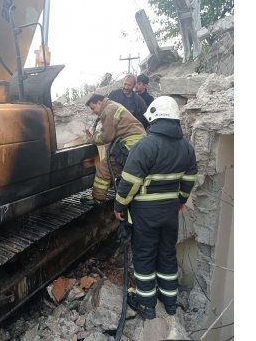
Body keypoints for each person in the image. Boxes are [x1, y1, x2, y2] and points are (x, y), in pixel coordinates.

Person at [113, 96, 198, 319]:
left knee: (144, 256)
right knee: (167, 254)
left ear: (155, 119)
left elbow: (129, 181)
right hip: (170, 212)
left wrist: (119, 205)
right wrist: (180, 199)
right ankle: (170, 302)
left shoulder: (145, 145)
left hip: (145, 215)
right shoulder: (186, 148)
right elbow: (189, 179)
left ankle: (147, 305)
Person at [80, 94, 146, 206]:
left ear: (99, 103)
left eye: (93, 108)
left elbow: (107, 137)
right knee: (123, 169)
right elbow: (112, 130)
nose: (93, 111)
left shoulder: (108, 110)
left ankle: (98, 198)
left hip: (130, 144)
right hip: (139, 143)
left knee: (105, 167)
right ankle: (124, 190)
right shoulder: (113, 106)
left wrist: (92, 139)